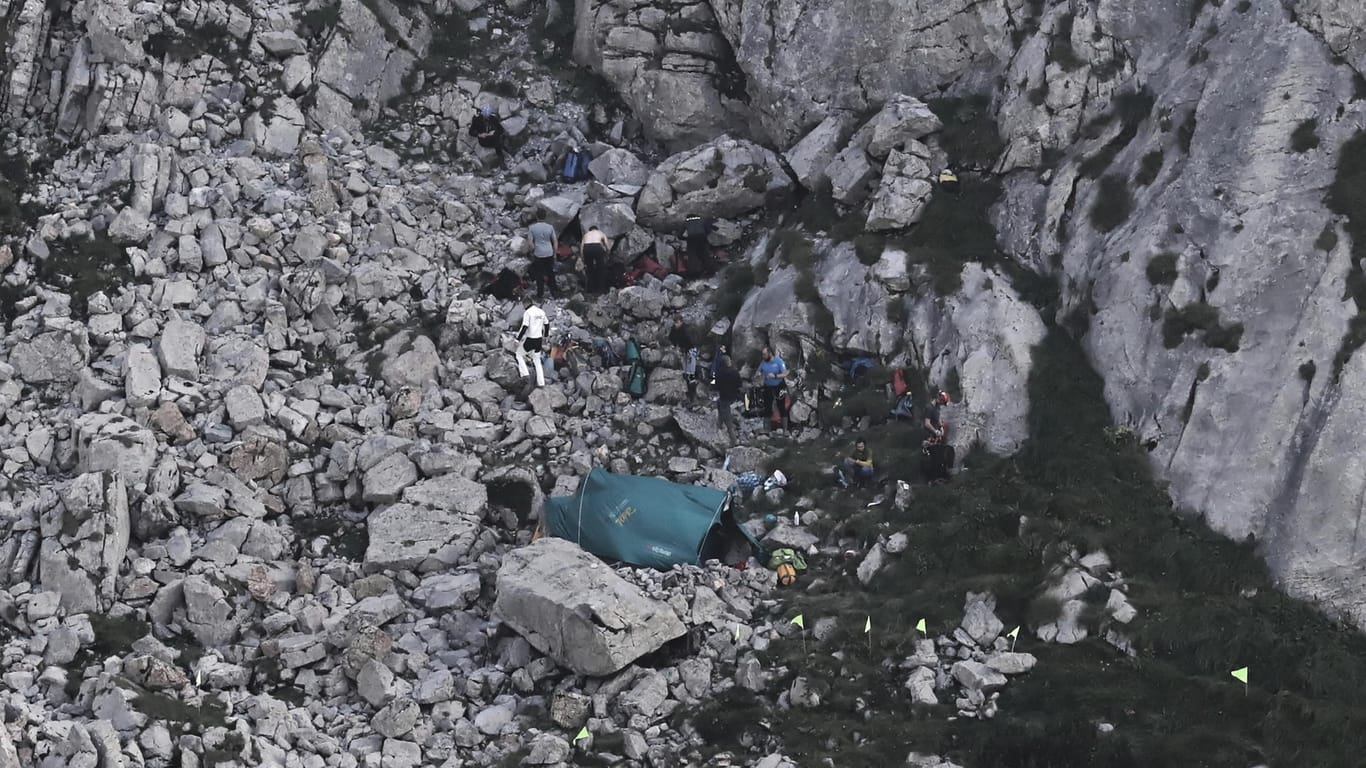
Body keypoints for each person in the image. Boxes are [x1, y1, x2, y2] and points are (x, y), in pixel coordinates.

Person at [514, 300, 549, 387]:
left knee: (518, 354)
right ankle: (541, 382)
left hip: (530, 339)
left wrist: (517, 339)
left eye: (523, 304)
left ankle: (525, 374)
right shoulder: (541, 312)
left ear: (525, 303)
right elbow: (547, 324)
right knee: (537, 360)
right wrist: (546, 335)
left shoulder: (528, 312)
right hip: (539, 340)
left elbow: (525, 327)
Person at [756, 346, 790, 431]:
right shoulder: (763, 362)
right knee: (767, 407)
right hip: (768, 386)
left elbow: (785, 373)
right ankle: (766, 429)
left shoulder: (779, 361)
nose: (763, 356)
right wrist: (758, 374)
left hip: (779, 386)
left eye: (764, 354)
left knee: (781, 406)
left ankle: (785, 430)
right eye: (762, 354)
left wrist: (775, 376)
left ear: (770, 354)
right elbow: (758, 371)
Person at [527, 210, 558, 299]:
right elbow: (555, 241)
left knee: (539, 274)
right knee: (550, 272)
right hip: (549, 252)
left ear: (536, 217)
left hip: (538, 253)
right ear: (545, 217)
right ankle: (554, 292)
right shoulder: (550, 227)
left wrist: (533, 250)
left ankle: (540, 293)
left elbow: (530, 243)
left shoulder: (532, 228)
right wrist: (555, 253)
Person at [668, 317, 699, 400]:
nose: (675, 324)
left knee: (691, 373)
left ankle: (693, 395)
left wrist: (689, 352)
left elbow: (691, 341)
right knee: (685, 373)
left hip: (690, 351)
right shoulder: (675, 330)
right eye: (675, 322)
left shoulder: (686, 330)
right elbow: (671, 338)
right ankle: (689, 393)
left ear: (681, 322)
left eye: (677, 322)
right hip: (684, 351)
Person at [714, 354, 741, 441]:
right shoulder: (735, 372)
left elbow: (716, 387)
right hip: (734, 396)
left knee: (728, 420)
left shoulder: (718, 373)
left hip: (724, 397)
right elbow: (739, 384)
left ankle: (734, 441)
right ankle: (720, 423)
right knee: (720, 406)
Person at [581, 225, 611, 294]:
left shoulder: (586, 234)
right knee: (601, 269)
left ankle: (590, 290)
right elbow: (607, 245)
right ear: (596, 229)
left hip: (587, 248)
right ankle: (601, 289)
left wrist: (583, 259)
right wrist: (607, 254)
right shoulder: (600, 233)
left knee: (589, 269)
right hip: (597, 247)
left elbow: (581, 248)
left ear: (590, 230)